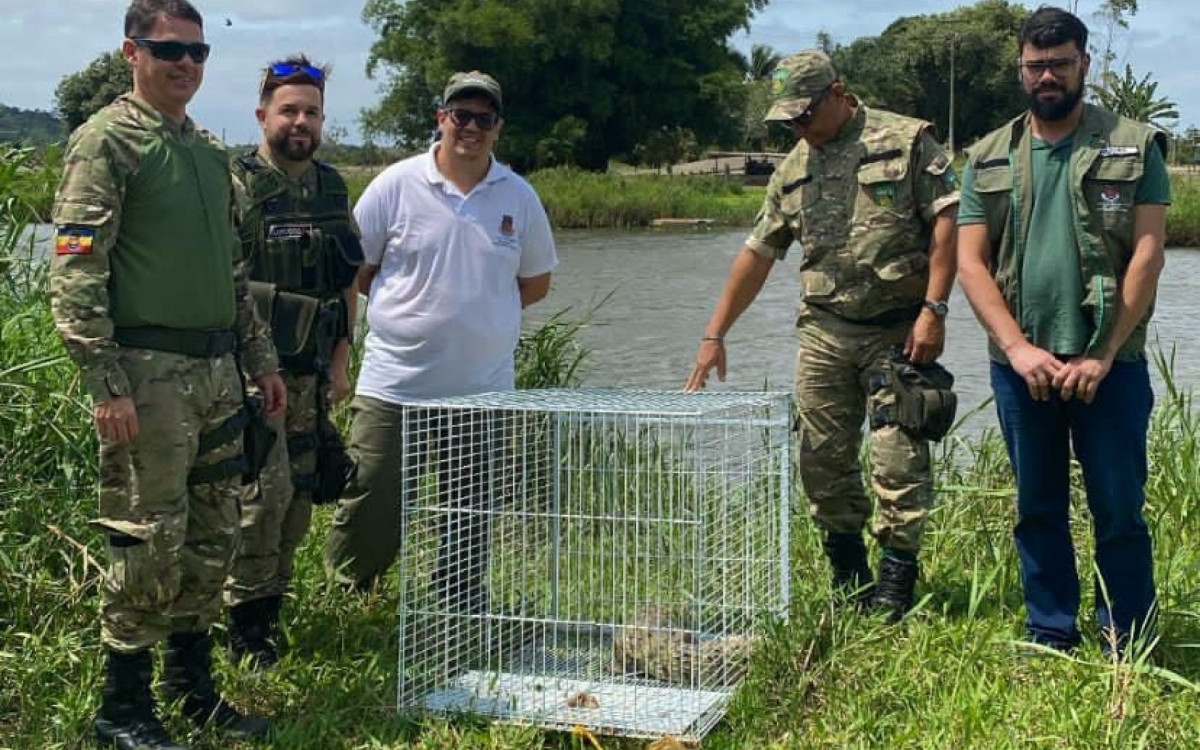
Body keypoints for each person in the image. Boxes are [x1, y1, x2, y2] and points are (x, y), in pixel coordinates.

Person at [49, 1, 283, 747]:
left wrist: (261, 363)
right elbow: (77, 263)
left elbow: (234, 272)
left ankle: (191, 686)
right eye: (168, 49)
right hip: (146, 374)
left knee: (213, 532)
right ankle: (123, 708)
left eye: (197, 51)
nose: (185, 63)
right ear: (133, 51)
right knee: (146, 536)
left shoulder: (209, 152)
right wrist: (103, 379)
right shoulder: (107, 141)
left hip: (217, 370)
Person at [686, 50, 959, 621]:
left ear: (838, 92)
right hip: (824, 332)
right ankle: (849, 576)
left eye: (805, 114)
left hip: (898, 330)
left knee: (899, 459)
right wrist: (715, 334)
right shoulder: (793, 169)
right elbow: (758, 254)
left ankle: (895, 584)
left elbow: (948, 223)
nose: (799, 128)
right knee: (820, 461)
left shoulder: (906, 141)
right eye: (790, 122)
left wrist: (934, 308)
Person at [956, 6, 1170, 655]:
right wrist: (1018, 350)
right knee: (1037, 506)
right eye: (1034, 65)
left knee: (1118, 508)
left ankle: (1125, 634)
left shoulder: (1133, 145)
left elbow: (1149, 252)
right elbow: (970, 261)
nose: (1046, 75)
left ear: (1084, 64)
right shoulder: (988, 155)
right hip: (1023, 368)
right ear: (1021, 68)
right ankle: (1050, 630)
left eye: (1059, 63)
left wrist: (1103, 353)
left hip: (1112, 365)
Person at [322, 71, 558, 596]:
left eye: (483, 118)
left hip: (482, 389)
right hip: (394, 383)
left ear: (497, 128)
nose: (470, 127)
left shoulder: (518, 196)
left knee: (469, 507)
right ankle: (350, 598)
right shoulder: (394, 185)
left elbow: (536, 283)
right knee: (371, 494)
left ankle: (457, 606)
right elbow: (359, 271)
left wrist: (479, 313)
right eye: (460, 115)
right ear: (441, 119)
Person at [224, 55, 362, 669]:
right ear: (263, 116)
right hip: (252, 374)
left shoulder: (331, 186)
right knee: (261, 496)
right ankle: (242, 627)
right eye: (288, 110)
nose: (300, 122)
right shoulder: (233, 183)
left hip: (311, 370)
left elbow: (345, 284)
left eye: (311, 111)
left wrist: (341, 359)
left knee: (301, 496)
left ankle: (271, 614)